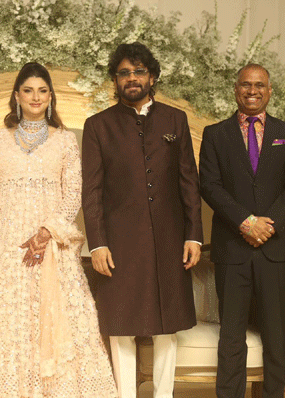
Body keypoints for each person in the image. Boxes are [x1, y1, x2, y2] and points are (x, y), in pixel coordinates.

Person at [0, 62, 117, 397]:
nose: (35, 97)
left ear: (50, 97)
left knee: (57, 319)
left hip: (51, 247)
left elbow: (73, 193)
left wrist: (47, 232)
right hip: (4, 247)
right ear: (16, 96)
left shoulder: (65, 141)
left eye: (42, 91)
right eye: (28, 90)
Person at [81, 42, 203, 398]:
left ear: (152, 77)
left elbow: (189, 181)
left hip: (169, 239)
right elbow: (92, 191)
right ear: (115, 80)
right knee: (121, 326)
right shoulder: (98, 126)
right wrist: (97, 244)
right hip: (119, 243)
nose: (131, 78)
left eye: (138, 72)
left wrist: (193, 236)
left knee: (167, 326)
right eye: (123, 73)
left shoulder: (175, 120)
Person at [199, 63, 285, 398]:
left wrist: (266, 226)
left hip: (275, 250)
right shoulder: (215, 134)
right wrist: (246, 222)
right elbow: (210, 185)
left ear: (269, 91)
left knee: (275, 333)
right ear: (236, 90)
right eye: (246, 84)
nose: (252, 91)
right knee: (232, 335)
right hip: (233, 249)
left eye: (259, 85)